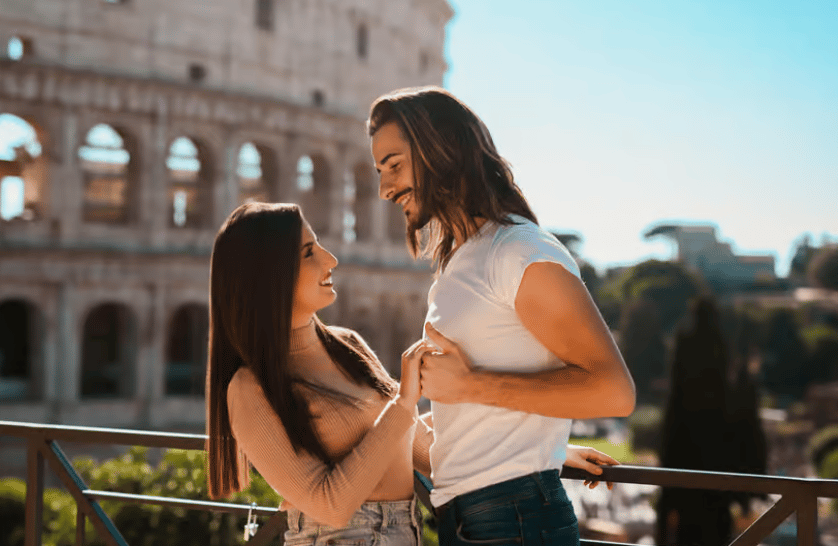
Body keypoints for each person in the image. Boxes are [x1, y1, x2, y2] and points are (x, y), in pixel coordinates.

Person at [205, 201, 619, 545]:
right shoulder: (248, 388)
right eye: (309, 252)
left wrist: (542, 450)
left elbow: (422, 448)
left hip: (409, 534)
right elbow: (328, 503)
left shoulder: (346, 343)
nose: (331, 259)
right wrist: (404, 402)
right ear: (266, 276)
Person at [368, 86, 636, 546]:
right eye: (379, 171)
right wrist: (549, 448)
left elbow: (614, 392)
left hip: (513, 519)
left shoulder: (518, 252)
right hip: (473, 516)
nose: (384, 188)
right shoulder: (461, 261)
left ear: (442, 151)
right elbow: (479, 413)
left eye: (394, 165)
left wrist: (472, 385)